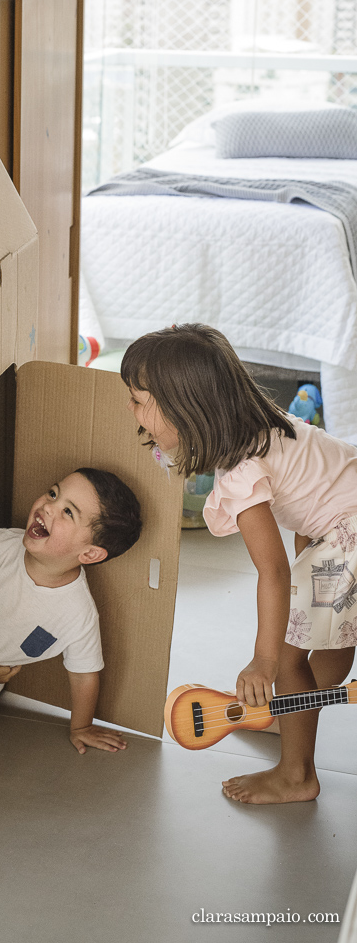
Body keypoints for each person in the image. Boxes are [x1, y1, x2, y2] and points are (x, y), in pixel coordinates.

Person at [122, 323, 357, 805]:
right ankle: (295, 714)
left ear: (186, 408)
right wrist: (307, 574)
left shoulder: (242, 471)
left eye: (139, 398)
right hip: (346, 520)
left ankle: (297, 775)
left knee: (291, 655)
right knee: (333, 635)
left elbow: (271, 571)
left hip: (348, 532)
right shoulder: (265, 424)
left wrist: (265, 659)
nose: (133, 410)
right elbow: (312, 498)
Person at [0, 469, 142, 755]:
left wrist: (81, 727)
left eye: (68, 512)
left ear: (90, 554)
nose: (48, 507)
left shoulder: (77, 614)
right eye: (53, 494)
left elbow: (84, 674)